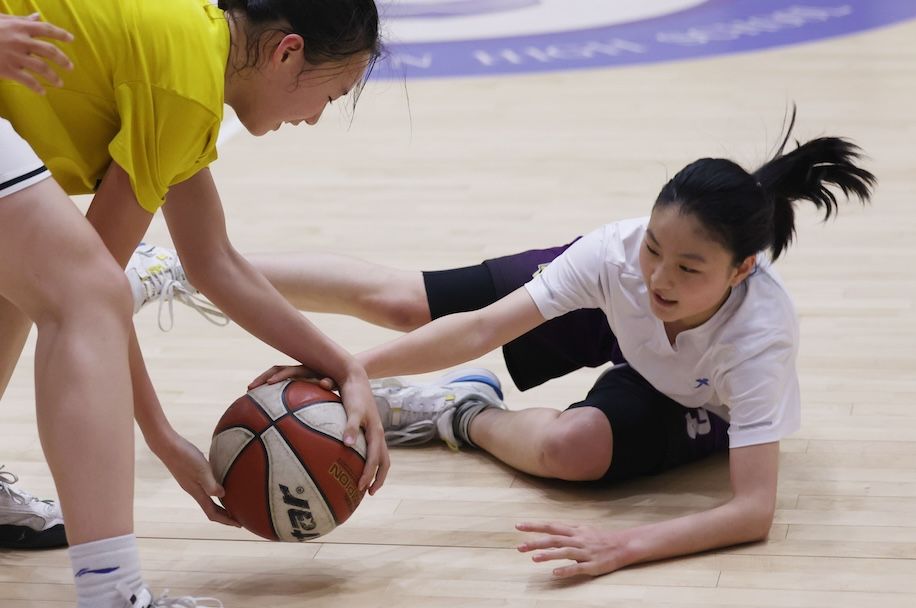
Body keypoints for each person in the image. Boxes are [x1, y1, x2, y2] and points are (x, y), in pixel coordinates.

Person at [144, 113, 872, 578]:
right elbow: (482, 327)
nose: (659, 276)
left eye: (688, 267)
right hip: (616, 319)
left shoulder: (757, 340)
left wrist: (624, 547)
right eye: (654, 247)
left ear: (742, 271)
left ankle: (458, 412)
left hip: (691, 391)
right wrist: (347, 370)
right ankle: (175, 268)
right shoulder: (617, 259)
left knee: (572, 452)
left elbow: (753, 510)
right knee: (404, 302)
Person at [0, 0, 386, 608]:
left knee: (31, 276)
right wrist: (160, 435)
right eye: (330, 96)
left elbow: (215, 262)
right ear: (287, 53)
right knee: (76, 291)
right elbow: (100, 289)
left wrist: (346, 366)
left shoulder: (191, 57)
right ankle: (111, 600)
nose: (314, 119)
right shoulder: (184, 85)